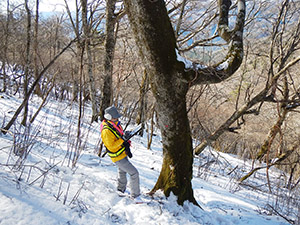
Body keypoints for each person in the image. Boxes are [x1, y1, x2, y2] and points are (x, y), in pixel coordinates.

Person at [100, 106, 142, 203]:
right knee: (134, 173)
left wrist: (125, 135)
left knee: (122, 171)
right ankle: (135, 196)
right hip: (117, 156)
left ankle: (120, 190)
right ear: (108, 117)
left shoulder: (114, 124)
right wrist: (122, 139)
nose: (117, 119)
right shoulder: (106, 131)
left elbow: (118, 136)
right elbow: (111, 146)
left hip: (122, 153)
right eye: (115, 118)